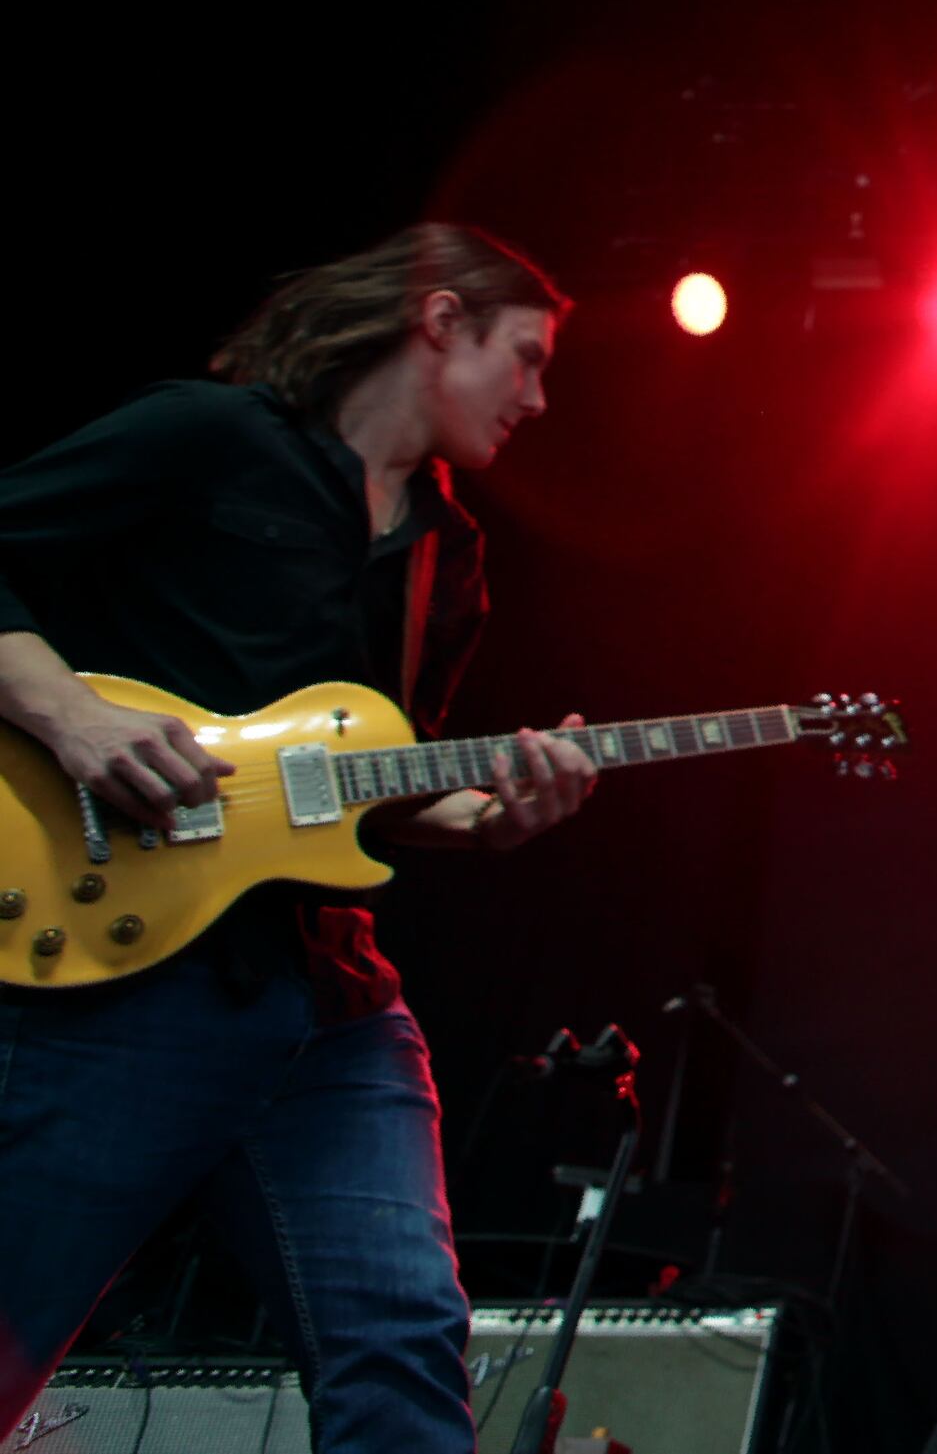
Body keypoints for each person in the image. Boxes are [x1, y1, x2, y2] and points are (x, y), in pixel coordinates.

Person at [1, 225, 601, 1445]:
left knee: (404, 1338)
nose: (539, 398)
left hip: (327, 1002)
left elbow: (370, 798)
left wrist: (495, 817)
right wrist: (67, 713)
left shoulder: (452, 555)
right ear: (439, 321)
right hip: (120, 979)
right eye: (525, 358)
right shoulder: (207, 437)